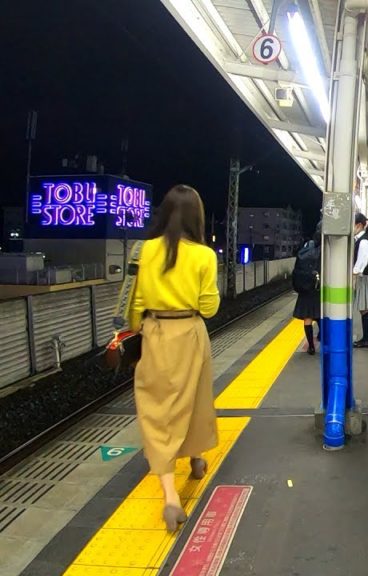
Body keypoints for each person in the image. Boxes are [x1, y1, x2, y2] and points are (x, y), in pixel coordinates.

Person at [128, 185, 220, 532]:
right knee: (194, 402)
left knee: (157, 411)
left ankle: (170, 498)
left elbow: (135, 304)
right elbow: (209, 307)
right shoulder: (204, 255)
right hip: (190, 333)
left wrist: (140, 331)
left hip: (154, 334)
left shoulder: (144, 250)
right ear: (197, 217)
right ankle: (196, 459)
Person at [292, 225, 321, 355]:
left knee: (307, 318)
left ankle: (311, 346)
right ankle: (323, 338)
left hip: (305, 289)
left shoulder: (305, 250)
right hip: (318, 288)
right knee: (320, 316)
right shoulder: (322, 251)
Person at [353, 213, 368, 348]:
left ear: (359, 225)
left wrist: (354, 273)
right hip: (363, 277)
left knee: (364, 308)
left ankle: (367, 338)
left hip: (364, 278)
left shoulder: (364, 241)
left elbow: (362, 261)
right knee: (363, 308)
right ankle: (367, 337)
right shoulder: (361, 239)